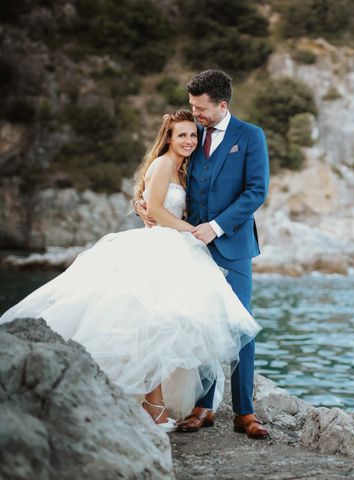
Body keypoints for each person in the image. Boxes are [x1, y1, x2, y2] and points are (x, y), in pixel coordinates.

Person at [0, 110, 262, 433]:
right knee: (153, 325)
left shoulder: (184, 164)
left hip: (182, 248)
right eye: (182, 135)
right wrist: (189, 229)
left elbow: (152, 199)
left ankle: (167, 404)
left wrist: (148, 206)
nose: (190, 140)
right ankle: (153, 406)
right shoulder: (166, 162)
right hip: (167, 248)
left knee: (174, 325)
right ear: (168, 137)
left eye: (192, 134)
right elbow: (154, 208)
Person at [136, 69, 270, 438]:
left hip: (232, 244)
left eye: (200, 108)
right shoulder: (190, 137)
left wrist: (218, 226)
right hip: (189, 247)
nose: (195, 113)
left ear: (221, 104)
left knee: (240, 325)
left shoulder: (250, 136)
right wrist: (142, 203)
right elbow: (165, 175)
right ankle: (202, 407)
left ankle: (245, 412)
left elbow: (256, 191)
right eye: (192, 107)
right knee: (197, 324)